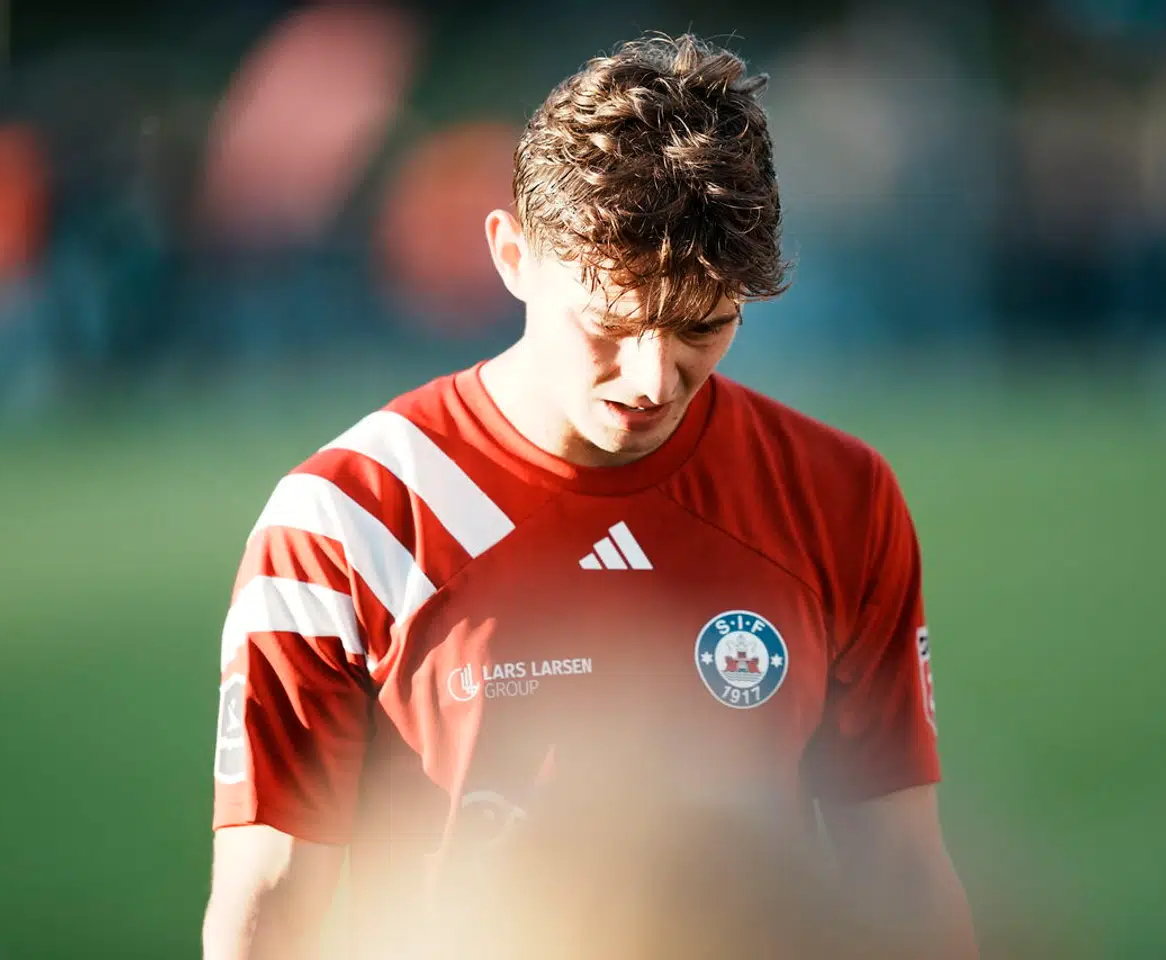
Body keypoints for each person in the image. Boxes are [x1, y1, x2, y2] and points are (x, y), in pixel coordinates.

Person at [203, 33, 977, 959]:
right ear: (512, 255)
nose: (653, 376)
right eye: (612, 323)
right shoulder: (345, 523)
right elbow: (270, 904)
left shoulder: (838, 498)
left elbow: (899, 874)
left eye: (704, 324)